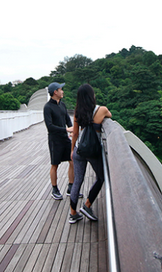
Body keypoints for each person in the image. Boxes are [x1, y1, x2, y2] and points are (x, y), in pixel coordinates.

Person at [68, 83, 111, 224]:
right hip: (93, 151)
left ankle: (73, 213)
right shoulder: (102, 110)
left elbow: (75, 133)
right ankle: (87, 205)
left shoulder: (77, 112)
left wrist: (72, 150)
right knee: (101, 177)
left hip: (79, 150)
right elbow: (110, 116)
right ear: (92, 95)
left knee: (77, 180)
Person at [43, 82, 76, 200]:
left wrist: (71, 131)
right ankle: (54, 189)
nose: (63, 91)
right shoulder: (47, 107)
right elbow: (50, 126)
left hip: (65, 138)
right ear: (55, 92)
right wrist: (66, 129)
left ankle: (71, 187)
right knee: (55, 164)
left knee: (72, 161)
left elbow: (67, 119)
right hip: (54, 140)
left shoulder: (62, 105)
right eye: (61, 89)